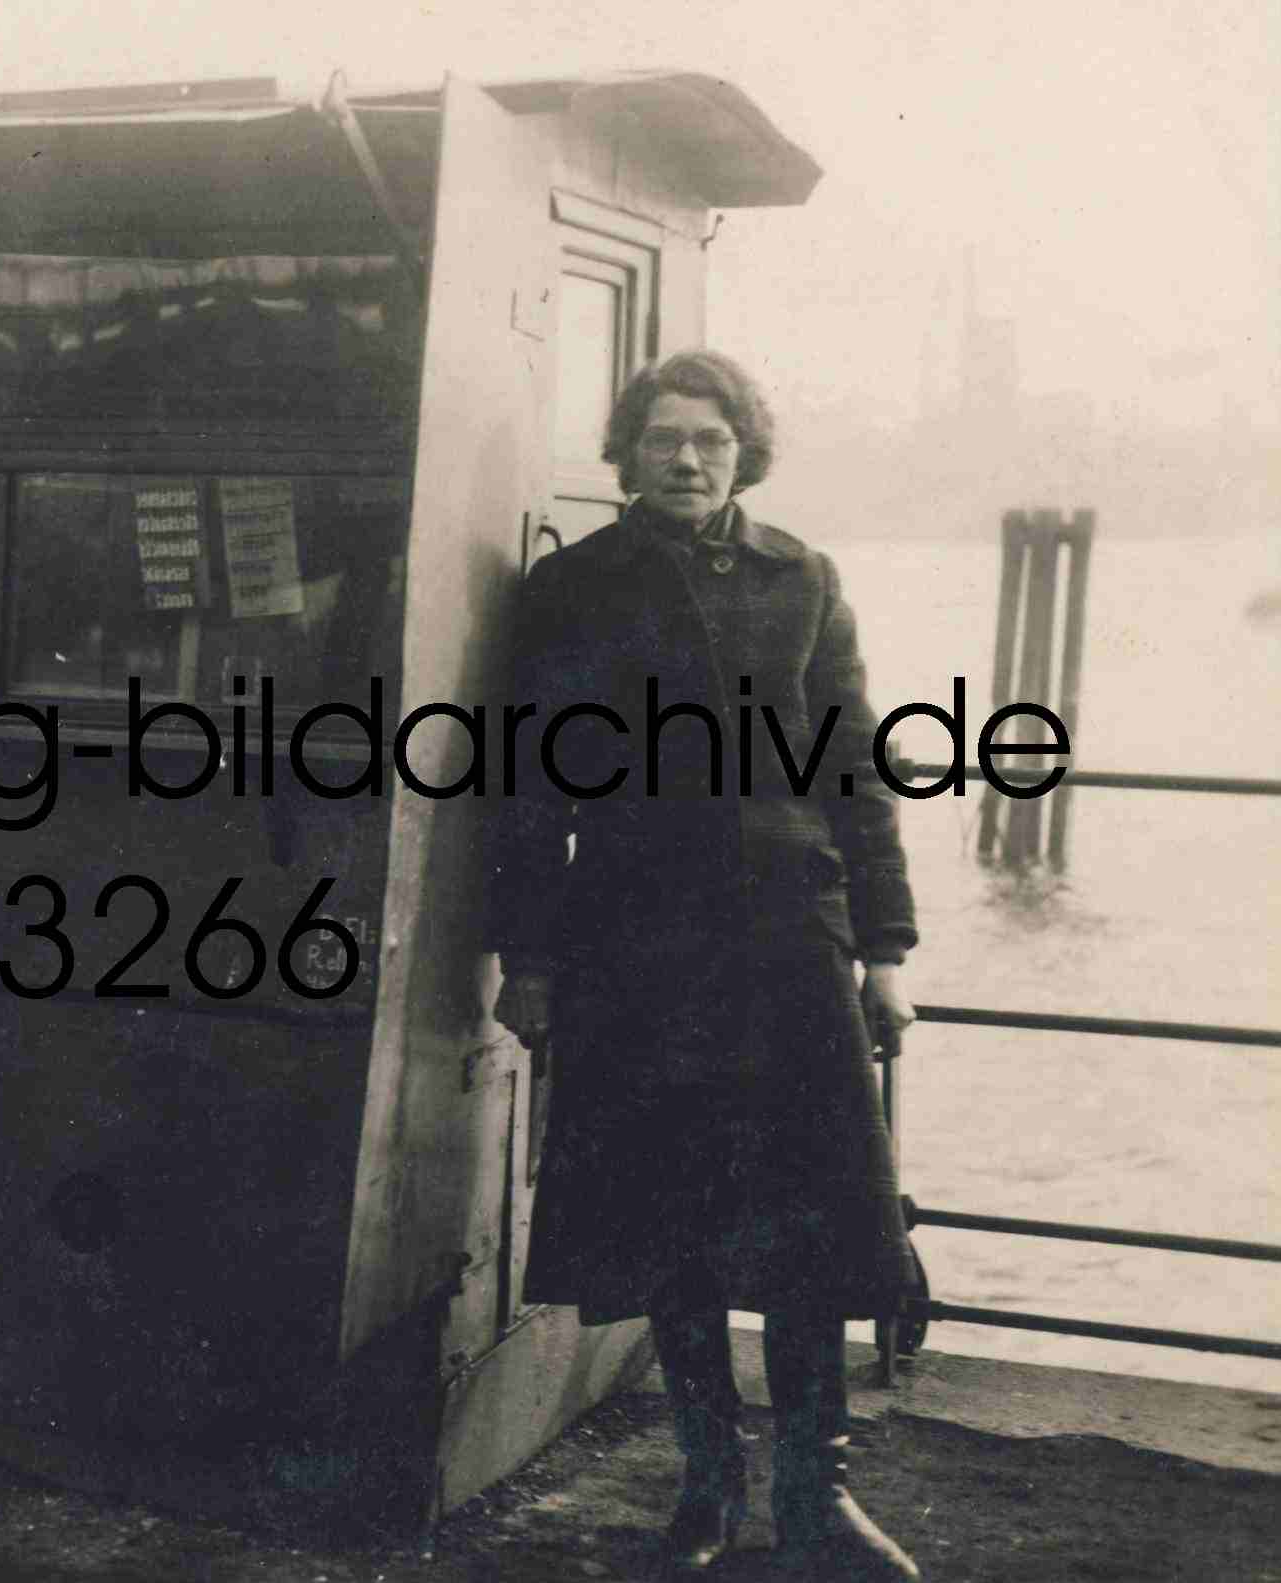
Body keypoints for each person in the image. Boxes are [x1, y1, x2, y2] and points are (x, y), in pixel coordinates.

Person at [489, 350, 924, 1580]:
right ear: (626, 455)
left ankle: (812, 1497)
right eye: (664, 438)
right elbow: (526, 788)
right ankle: (707, 1486)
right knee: (672, 1219)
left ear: (743, 455)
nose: (686, 459)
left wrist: (884, 951)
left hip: (790, 945)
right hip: (637, 948)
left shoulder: (803, 577)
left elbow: (856, 772)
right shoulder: (572, 587)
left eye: (710, 440)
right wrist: (528, 957)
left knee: (809, 1221)